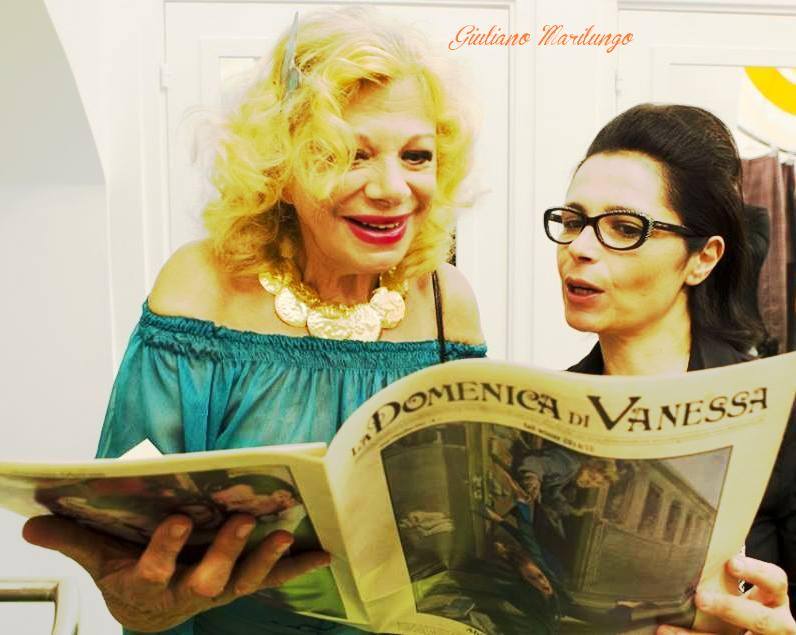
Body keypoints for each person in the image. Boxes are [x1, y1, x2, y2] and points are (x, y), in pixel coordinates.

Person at [22, 8, 485, 635]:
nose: (392, 187)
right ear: (280, 170)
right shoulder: (202, 286)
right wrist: (142, 609)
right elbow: (131, 540)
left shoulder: (446, 300)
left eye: (416, 155)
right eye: (348, 154)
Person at [544, 103, 796, 634]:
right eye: (572, 222)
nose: (580, 248)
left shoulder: (779, 413)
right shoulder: (544, 413)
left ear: (703, 258)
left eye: (623, 228)